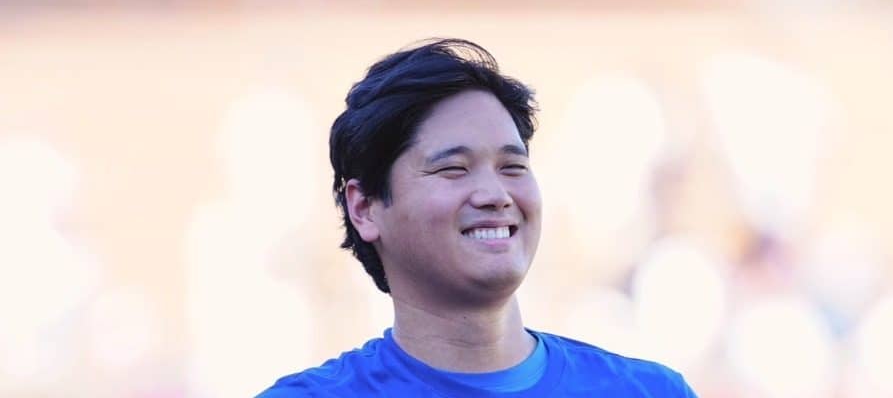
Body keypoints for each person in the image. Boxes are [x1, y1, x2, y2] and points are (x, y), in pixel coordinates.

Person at [256, 38, 698, 397]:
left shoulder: (650, 391)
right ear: (365, 208)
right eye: (454, 169)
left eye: (513, 167)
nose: (496, 195)